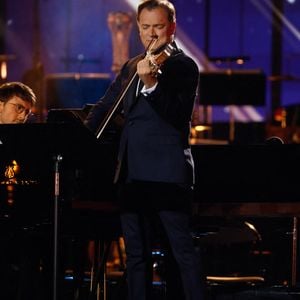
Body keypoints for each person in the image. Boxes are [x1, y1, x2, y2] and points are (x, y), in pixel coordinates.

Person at [85, 0, 205, 299]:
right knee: (135, 256)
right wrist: (80, 135)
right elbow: (106, 106)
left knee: (181, 252)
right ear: (138, 28)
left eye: (159, 26)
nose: (152, 34)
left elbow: (177, 115)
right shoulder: (131, 65)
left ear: (172, 27)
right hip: (131, 172)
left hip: (166, 173)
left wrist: (151, 82)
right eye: (146, 27)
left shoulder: (182, 65)